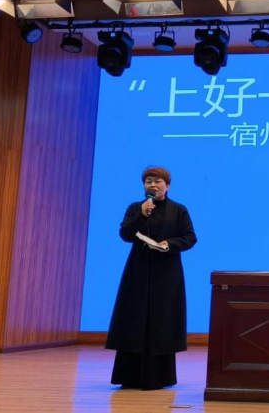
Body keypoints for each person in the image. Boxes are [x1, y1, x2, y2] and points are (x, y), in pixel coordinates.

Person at [106, 167, 197, 390]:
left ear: (168, 186)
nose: (152, 185)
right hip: (138, 271)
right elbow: (126, 235)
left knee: (161, 321)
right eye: (148, 181)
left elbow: (190, 238)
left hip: (167, 273)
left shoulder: (179, 210)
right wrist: (142, 215)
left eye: (157, 181)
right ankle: (129, 376)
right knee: (134, 320)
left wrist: (169, 244)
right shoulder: (136, 208)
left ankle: (160, 377)